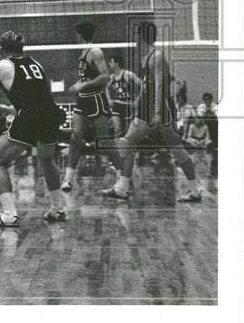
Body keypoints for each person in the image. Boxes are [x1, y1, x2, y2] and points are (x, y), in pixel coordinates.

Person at [100, 21, 205, 203]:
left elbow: (157, 86)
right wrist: (138, 103)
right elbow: (148, 85)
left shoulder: (156, 56)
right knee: (173, 148)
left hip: (157, 110)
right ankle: (194, 190)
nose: (134, 37)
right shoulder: (145, 58)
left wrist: (156, 112)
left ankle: (122, 187)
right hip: (146, 109)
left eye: (136, 34)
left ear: (142, 35)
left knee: (126, 142)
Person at [0, 31, 68, 227]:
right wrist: (11, 109)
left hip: (30, 117)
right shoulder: (36, 64)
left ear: (1, 50)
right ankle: (57, 209)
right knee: (47, 159)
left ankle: (9, 214)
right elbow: (38, 98)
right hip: (49, 113)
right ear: (22, 49)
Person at [63, 21, 121, 192]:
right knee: (75, 138)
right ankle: (67, 179)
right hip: (83, 101)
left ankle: (122, 178)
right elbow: (90, 77)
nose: (75, 37)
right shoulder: (84, 52)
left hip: (96, 100)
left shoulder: (95, 52)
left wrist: (83, 85)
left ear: (79, 35)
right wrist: (80, 84)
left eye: (76, 34)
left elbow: (105, 76)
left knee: (105, 140)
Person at [107, 54, 141, 139]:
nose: (109, 63)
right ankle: (117, 151)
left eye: (111, 61)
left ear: (117, 63)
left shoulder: (128, 74)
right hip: (117, 105)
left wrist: (138, 100)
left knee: (128, 131)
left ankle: (130, 150)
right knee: (116, 130)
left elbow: (142, 84)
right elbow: (106, 89)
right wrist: (109, 100)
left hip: (128, 105)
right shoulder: (111, 77)